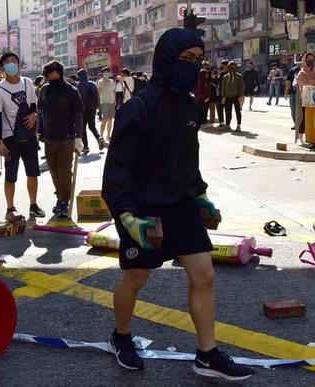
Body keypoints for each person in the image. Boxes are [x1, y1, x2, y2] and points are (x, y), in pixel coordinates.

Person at [101, 28, 254, 381]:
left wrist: (199, 194)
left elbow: (188, 159)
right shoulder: (138, 106)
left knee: (204, 275)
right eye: (186, 60)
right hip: (144, 211)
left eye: (198, 61)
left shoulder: (189, 106)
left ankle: (207, 354)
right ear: (166, 59)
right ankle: (120, 336)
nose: (193, 67)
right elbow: (117, 170)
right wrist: (126, 216)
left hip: (182, 206)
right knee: (136, 278)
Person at [0, 52, 46, 221]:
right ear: (2, 68)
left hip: (28, 136)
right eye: (7, 62)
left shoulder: (28, 83)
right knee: (10, 175)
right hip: (9, 138)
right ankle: (10, 208)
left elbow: (34, 106)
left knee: (33, 173)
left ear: (19, 64)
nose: (11, 64)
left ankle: (33, 205)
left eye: (14, 61)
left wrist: (34, 116)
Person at [37, 60, 84, 218]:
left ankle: (64, 201)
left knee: (64, 171)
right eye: (47, 73)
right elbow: (40, 112)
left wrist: (78, 137)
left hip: (67, 138)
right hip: (49, 138)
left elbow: (78, 114)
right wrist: (39, 131)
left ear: (59, 72)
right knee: (54, 171)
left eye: (51, 72)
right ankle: (60, 197)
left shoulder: (71, 90)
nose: (49, 76)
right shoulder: (44, 90)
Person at [294, 52, 315, 144]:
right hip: (306, 99)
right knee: (304, 118)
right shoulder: (302, 72)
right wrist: (314, 81)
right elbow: (300, 81)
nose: (310, 61)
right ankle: (300, 137)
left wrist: (310, 81)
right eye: (308, 59)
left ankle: (313, 137)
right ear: (305, 60)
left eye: (312, 59)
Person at [76, 68, 105, 154]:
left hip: (83, 109)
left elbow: (78, 100)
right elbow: (97, 96)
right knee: (92, 126)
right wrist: (98, 108)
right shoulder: (93, 84)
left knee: (83, 127)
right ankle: (99, 137)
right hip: (93, 108)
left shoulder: (79, 86)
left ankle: (86, 147)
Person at [221, 62, 245, 132]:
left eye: (233, 67)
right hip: (228, 97)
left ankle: (238, 125)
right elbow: (223, 87)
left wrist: (241, 96)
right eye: (230, 67)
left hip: (236, 96)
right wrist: (223, 96)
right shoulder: (225, 77)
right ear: (228, 68)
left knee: (238, 111)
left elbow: (241, 87)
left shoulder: (239, 76)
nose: (232, 68)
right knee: (227, 111)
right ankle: (228, 125)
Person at [97, 67, 116, 142]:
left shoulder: (111, 81)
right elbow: (100, 92)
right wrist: (105, 82)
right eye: (105, 73)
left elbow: (114, 91)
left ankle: (108, 136)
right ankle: (101, 136)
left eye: (107, 72)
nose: (106, 74)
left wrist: (115, 100)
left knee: (110, 120)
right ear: (102, 73)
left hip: (112, 102)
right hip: (104, 102)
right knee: (105, 119)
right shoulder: (100, 81)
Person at [284, 59, 303, 128]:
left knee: (299, 109)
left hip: (302, 93)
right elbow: (288, 82)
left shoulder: (306, 70)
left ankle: (300, 124)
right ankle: (297, 123)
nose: (300, 63)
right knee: (294, 109)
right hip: (293, 92)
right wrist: (286, 92)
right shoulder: (292, 71)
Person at [216, 60, 229, 127]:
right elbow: (219, 83)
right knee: (219, 108)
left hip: (227, 94)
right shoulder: (221, 73)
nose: (222, 66)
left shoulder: (229, 73)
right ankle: (221, 122)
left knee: (227, 110)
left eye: (223, 65)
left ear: (227, 65)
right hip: (220, 94)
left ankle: (227, 124)